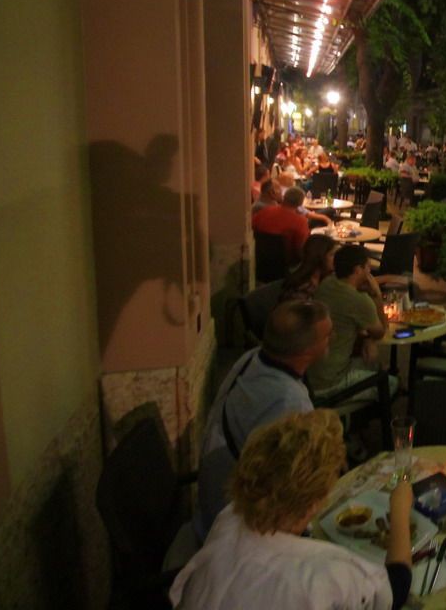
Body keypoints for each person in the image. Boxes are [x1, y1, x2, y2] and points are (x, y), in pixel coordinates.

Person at [173, 410, 412, 610]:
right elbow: (396, 589)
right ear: (313, 503)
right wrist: (400, 509)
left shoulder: (229, 517)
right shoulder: (325, 574)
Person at [194, 300, 333, 538]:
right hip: (237, 526)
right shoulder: (291, 403)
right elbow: (294, 489)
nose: (332, 338)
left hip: (212, 498)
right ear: (306, 351)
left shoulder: (250, 359)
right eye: (327, 336)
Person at [309, 246, 392, 401]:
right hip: (331, 382)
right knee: (391, 384)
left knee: (376, 365)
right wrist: (377, 294)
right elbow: (381, 331)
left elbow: (346, 317)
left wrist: (367, 339)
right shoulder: (360, 300)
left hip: (310, 373)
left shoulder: (327, 283)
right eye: (367, 266)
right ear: (358, 270)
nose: (370, 271)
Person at [252, 186, 311, 261]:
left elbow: (252, 228)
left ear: (284, 198)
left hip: (259, 259)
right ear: (300, 203)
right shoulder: (301, 222)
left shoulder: (265, 211)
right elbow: (300, 250)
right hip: (288, 262)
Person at [280, 236, 340, 302]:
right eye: (332, 254)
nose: (337, 258)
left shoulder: (326, 278)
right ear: (320, 256)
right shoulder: (301, 287)